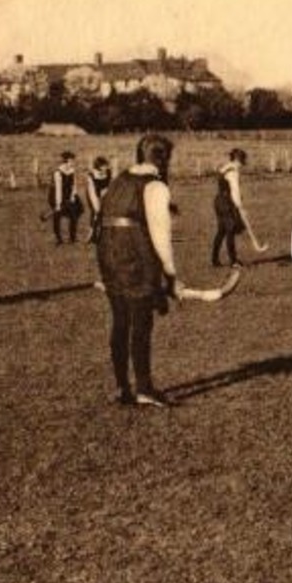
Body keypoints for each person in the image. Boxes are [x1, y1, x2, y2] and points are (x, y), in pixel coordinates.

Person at [95, 134, 181, 408]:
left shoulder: (118, 179)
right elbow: (160, 235)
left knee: (121, 320)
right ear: (163, 158)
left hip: (108, 255)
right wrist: (170, 274)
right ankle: (143, 388)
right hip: (135, 257)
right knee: (141, 322)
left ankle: (123, 387)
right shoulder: (155, 186)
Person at [211, 148, 251, 267]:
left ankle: (214, 260)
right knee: (230, 231)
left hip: (218, 201)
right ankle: (233, 261)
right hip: (226, 203)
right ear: (238, 160)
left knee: (221, 231)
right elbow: (235, 192)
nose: (242, 166)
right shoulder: (233, 172)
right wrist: (241, 208)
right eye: (241, 162)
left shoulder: (225, 167)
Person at [48, 150, 84, 244]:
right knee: (57, 216)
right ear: (66, 161)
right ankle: (58, 238)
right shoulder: (58, 173)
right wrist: (58, 204)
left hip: (69, 196)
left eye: (73, 161)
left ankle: (72, 238)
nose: (73, 163)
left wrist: (73, 196)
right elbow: (58, 189)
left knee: (75, 214)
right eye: (71, 161)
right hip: (56, 196)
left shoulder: (72, 171)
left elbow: (74, 185)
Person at [84, 156, 112, 243]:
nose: (105, 168)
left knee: (104, 213)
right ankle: (91, 234)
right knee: (95, 212)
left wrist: (105, 193)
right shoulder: (91, 175)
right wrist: (96, 204)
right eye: (103, 166)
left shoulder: (108, 172)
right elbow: (91, 191)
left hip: (104, 193)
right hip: (92, 193)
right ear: (98, 167)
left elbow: (108, 184)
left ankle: (101, 234)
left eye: (106, 166)